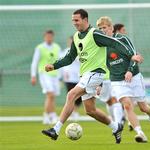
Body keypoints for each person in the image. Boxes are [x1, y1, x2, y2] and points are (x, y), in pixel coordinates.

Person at [41, 9, 142, 144]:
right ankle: (116, 127)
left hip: (96, 73)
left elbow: (114, 42)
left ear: (85, 20)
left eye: (76, 20)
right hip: (85, 76)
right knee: (90, 110)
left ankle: (56, 129)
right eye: (73, 20)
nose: (74, 23)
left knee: (71, 95)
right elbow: (70, 57)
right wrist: (54, 65)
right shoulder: (76, 36)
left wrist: (131, 55)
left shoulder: (95, 34)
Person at [96, 16, 150, 143]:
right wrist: (99, 83)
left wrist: (130, 71)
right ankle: (140, 133)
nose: (102, 30)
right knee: (127, 105)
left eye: (104, 27)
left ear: (111, 27)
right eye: (100, 28)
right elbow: (99, 65)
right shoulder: (101, 47)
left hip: (134, 77)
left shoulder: (123, 39)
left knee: (143, 107)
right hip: (117, 81)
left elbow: (135, 57)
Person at [31, 30, 61, 125]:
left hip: (55, 75)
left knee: (53, 96)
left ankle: (51, 115)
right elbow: (35, 62)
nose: (49, 38)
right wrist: (33, 76)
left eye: (50, 36)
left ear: (53, 37)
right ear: (44, 37)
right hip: (44, 74)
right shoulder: (40, 48)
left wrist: (61, 76)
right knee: (50, 94)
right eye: (47, 36)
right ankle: (48, 115)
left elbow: (60, 61)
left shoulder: (57, 47)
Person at [61, 36, 82, 119]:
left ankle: (75, 111)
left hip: (79, 77)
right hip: (69, 77)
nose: (71, 43)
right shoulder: (65, 51)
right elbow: (63, 63)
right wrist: (64, 73)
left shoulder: (80, 51)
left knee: (79, 97)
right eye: (70, 41)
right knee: (71, 96)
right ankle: (72, 112)